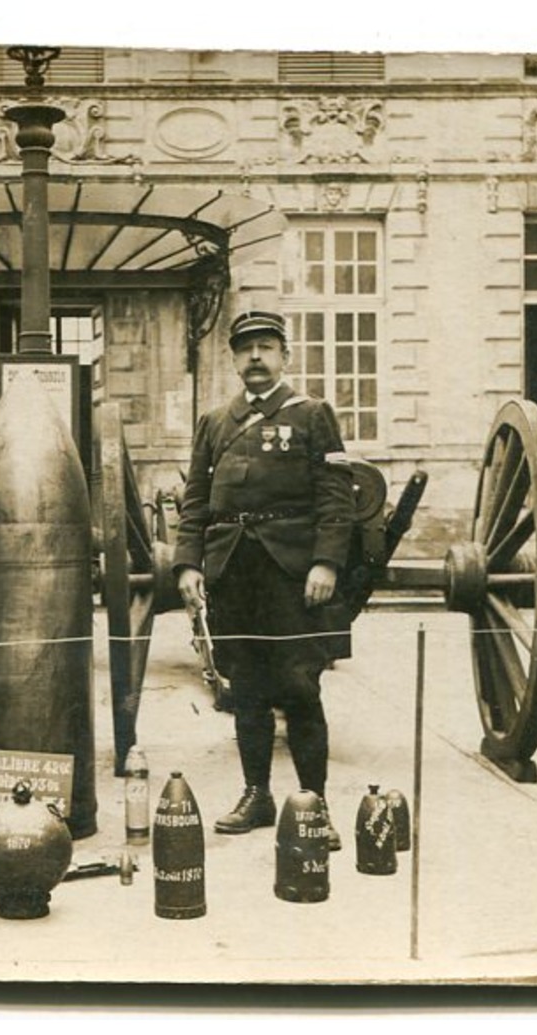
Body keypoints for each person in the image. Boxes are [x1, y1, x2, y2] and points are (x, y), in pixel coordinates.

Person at [173, 311, 354, 841]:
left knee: (300, 687)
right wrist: (188, 562)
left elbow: (335, 496)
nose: (255, 357)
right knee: (245, 690)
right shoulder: (214, 423)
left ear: (284, 356)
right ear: (233, 358)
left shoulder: (312, 415)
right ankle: (257, 796)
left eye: (266, 347)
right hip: (233, 571)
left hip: (291, 573)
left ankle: (313, 806)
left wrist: (326, 561)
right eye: (245, 348)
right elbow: (196, 502)